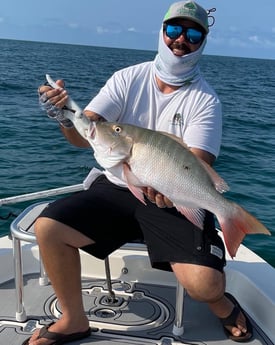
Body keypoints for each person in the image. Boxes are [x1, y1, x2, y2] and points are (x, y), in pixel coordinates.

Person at [23, 1, 252, 344]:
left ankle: (222, 305)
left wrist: (170, 189)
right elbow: (87, 134)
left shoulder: (205, 100)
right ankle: (73, 320)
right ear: (162, 32)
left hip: (172, 196)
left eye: (192, 34)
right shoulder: (127, 78)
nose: (180, 40)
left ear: (202, 41)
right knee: (48, 227)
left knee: (205, 285)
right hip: (117, 186)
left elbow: (198, 159)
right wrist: (64, 117)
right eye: (174, 30)